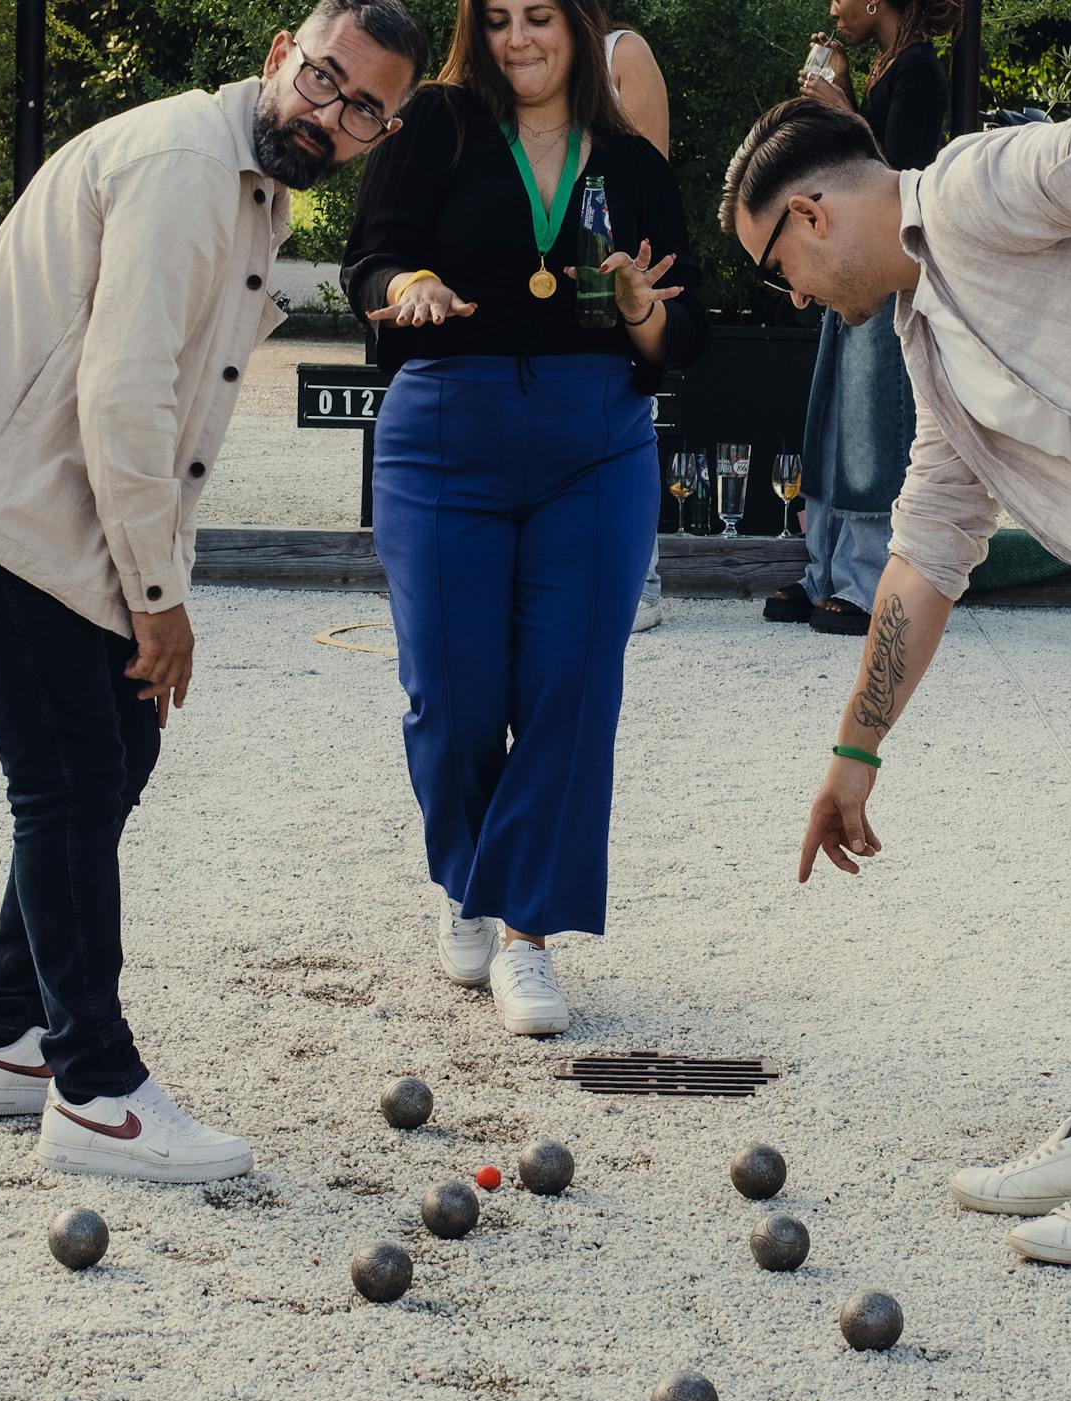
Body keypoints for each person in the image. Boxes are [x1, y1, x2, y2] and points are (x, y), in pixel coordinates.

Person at [724, 97, 1071, 1265]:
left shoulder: (964, 190)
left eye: (779, 269)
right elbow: (926, 552)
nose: (794, 297)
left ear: (810, 213)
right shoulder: (929, 338)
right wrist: (854, 754)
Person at [0, 0, 427, 1183]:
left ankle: (5, 1039)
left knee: (115, 760)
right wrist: (160, 598)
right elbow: (127, 393)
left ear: (379, 131)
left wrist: (145, 585)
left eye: (363, 108)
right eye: (321, 77)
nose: (330, 113)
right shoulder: (185, 166)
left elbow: (169, 408)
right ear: (277, 59)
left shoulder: (255, 188)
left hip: (53, 514)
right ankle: (94, 1089)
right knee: (70, 777)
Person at [343, 0, 708, 1036]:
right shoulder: (436, 127)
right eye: (497, 19)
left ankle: (527, 935)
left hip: (595, 446)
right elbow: (366, 261)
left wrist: (641, 306)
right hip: (444, 433)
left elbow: (685, 333)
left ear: (578, 29)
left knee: (570, 691)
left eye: (538, 16)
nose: (519, 39)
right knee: (451, 695)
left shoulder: (631, 160)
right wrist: (407, 280)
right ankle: (469, 879)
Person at [763, 0, 958, 636]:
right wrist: (842, 94)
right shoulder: (885, 68)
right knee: (832, 418)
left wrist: (844, 109)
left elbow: (898, 174)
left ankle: (868, 577)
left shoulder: (921, 71)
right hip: (845, 260)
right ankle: (824, 569)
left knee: (872, 422)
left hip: (884, 260)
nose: (833, 8)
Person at [603, 17, 671, 633]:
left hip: (616, 271)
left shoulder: (623, 52)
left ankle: (641, 581)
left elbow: (653, 181)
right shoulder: (505, 49)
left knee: (627, 414)